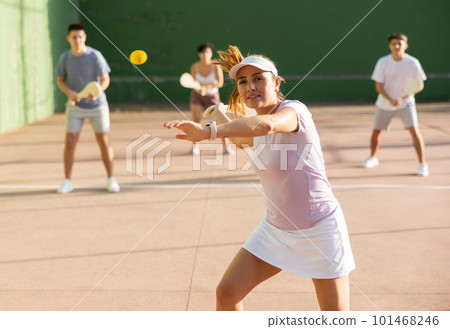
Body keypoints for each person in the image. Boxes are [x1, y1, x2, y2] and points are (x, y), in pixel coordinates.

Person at [164, 46, 355, 311]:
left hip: (319, 228)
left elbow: (266, 126)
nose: (249, 86)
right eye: (242, 82)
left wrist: (210, 132)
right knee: (227, 294)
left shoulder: (293, 112)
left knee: (335, 317)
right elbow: (243, 138)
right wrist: (217, 112)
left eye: (258, 79)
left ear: (276, 83)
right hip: (275, 229)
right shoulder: (256, 124)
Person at [56, 23, 119, 193]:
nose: (77, 40)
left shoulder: (95, 56)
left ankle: (111, 179)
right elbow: (60, 80)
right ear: (68, 39)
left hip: (98, 106)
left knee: (103, 141)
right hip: (75, 106)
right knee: (70, 141)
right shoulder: (65, 58)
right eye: (74, 37)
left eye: (80, 37)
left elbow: (105, 79)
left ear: (85, 38)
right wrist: (69, 92)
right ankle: (67, 181)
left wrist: (98, 91)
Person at [362, 32, 428, 176]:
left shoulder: (413, 63)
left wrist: (409, 93)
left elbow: (419, 84)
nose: (397, 46)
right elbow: (379, 86)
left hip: (406, 105)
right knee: (376, 131)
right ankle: (372, 158)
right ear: (390, 46)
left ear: (406, 46)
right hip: (385, 104)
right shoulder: (382, 62)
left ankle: (423, 164)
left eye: (400, 43)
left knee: (414, 131)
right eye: (394, 44)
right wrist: (390, 99)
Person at [189, 42, 231, 155]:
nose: (205, 54)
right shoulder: (194, 66)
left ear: (211, 53)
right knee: (196, 121)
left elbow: (220, 83)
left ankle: (226, 147)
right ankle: (195, 147)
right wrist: (198, 88)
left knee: (219, 121)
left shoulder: (216, 66)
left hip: (212, 96)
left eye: (208, 52)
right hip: (196, 96)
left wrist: (207, 87)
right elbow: (192, 82)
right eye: (203, 52)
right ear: (199, 54)